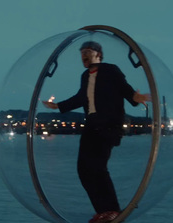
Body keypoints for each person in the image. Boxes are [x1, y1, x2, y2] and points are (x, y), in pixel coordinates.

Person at [43, 41, 151, 223]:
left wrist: (136, 97)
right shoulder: (85, 75)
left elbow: (125, 89)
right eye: (81, 53)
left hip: (109, 125)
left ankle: (113, 211)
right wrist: (58, 106)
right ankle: (103, 211)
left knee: (98, 168)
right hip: (92, 125)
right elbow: (80, 97)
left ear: (98, 54)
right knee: (83, 169)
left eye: (87, 52)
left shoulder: (111, 70)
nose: (83, 56)